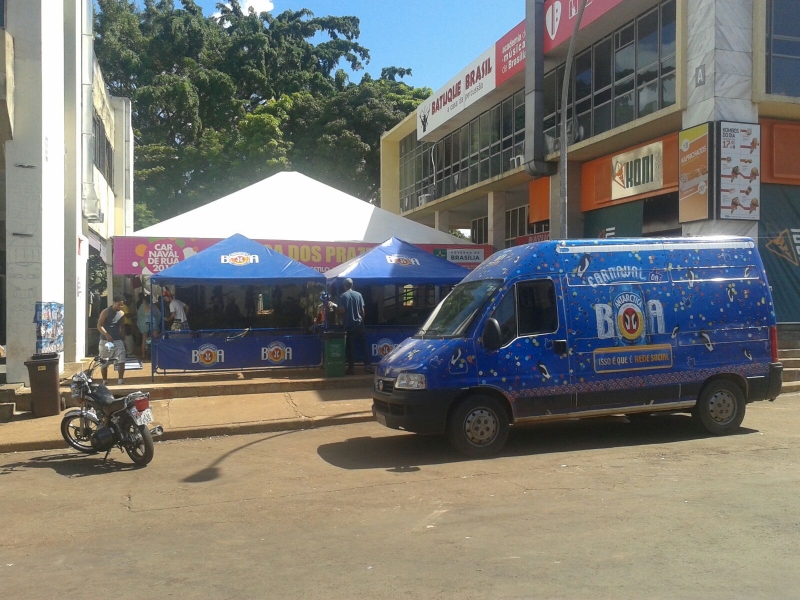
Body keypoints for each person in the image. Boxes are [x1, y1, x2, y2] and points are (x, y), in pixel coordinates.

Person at [338, 278, 373, 375]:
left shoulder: (342, 296)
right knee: (364, 346)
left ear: (344, 286)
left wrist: (338, 314)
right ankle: (368, 366)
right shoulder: (359, 295)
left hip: (349, 325)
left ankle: (351, 368)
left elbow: (342, 311)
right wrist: (361, 321)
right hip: (359, 324)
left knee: (351, 347)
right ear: (352, 285)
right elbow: (363, 311)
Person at [97, 293, 127, 385]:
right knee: (104, 361)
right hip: (105, 340)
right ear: (114, 303)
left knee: (121, 359)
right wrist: (106, 334)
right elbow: (99, 325)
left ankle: (120, 380)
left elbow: (121, 326)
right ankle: (105, 380)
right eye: (119, 305)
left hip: (118, 340)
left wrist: (122, 333)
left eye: (122, 305)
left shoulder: (122, 313)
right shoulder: (106, 312)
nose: (120, 307)